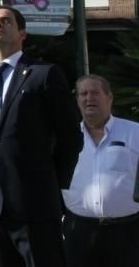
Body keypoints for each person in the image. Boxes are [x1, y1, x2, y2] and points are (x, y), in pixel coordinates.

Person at [0, 6, 81, 267]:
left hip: (36, 205)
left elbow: (70, 136)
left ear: (22, 33)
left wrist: (51, 182)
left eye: (6, 21)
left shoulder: (45, 74)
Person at [62, 74, 139, 266]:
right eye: (83, 94)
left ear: (109, 97)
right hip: (78, 231)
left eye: (95, 92)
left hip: (128, 232)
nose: (89, 98)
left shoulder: (134, 132)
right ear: (78, 100)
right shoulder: (66, 137)